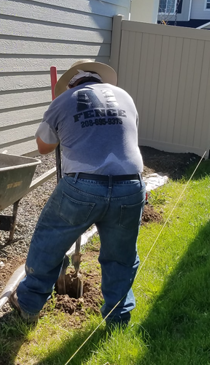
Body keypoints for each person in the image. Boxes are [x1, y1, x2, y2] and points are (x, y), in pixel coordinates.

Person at [10, 59, 145, 328]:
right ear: (100, 80)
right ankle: (118, 319)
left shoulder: (62, 101)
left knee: (49, 242)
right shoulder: (125, 97)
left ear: (72, 84)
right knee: (121, 255)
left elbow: (44, 147)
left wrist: (63, 124)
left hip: (83, 186)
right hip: (130, 186)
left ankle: (29, 304)